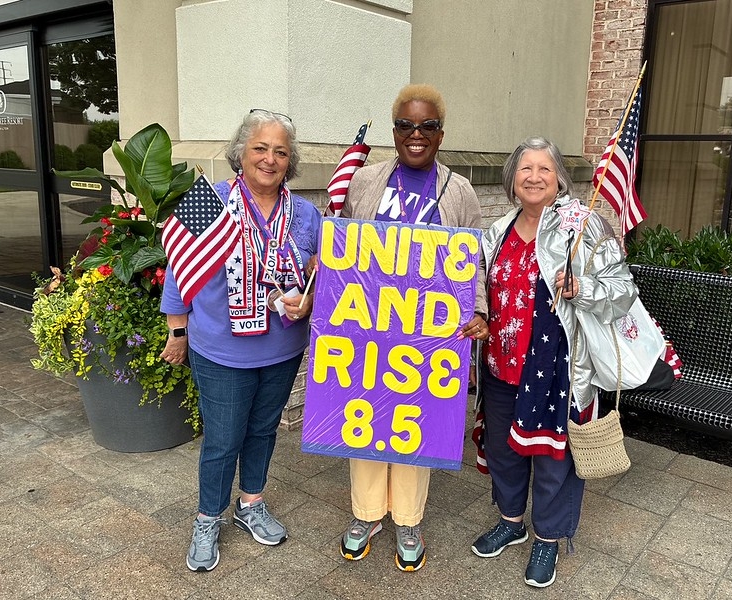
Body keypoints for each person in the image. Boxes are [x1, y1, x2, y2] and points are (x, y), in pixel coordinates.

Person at [471, 137, 637, 588]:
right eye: (525, 169)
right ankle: (511, 522)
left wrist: (584, 288)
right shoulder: (497, 231)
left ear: (560, 178)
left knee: (552, 459)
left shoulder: (582, 226)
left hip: (559, 371)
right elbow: (481, 290)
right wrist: (480, 317)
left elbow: (623, 291)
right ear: (512, 180)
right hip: (501, 366)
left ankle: (548, 538)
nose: (534, 177)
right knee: (505, 453)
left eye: (544, 168)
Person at [160, 110, 321, 572]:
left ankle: (251, 503)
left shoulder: (306, 214)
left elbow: (321, 274)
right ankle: (208, 518)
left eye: (280, 152)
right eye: (260, 148)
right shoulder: (209, 202)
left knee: (263, 430)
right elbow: (179, 272)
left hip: (283, 347)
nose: (270, 159)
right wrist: (177, 331)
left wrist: (309, 300)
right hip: (221, 349)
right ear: (241, 153)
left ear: (290, 162)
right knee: (223, 438)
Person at [338, 83, 489, 572]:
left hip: (430, 331)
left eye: (427, 126)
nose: (416, 134)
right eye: (406, 125)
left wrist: (478, 309)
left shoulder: (459, 190)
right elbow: (344, 246)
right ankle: (366, 514)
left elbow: (475, 261)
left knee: (412, 421)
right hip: (368, 325)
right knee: (364, 417)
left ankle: (407, 519)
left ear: (441, 133)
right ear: (394, 131)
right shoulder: (366, 181)